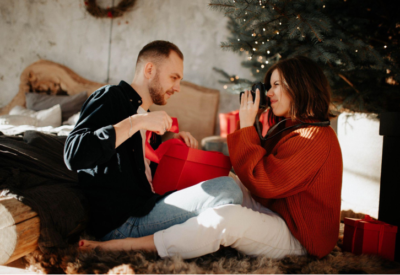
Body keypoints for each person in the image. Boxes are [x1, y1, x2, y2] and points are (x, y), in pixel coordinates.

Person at [79, 56, 343, 260]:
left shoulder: (316, 138)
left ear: (299, 87)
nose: (269, 92)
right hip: (277, 209)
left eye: (275, 86)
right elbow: (255, 171)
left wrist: (247, 125)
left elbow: (263, 181)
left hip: (299, 235)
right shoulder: (291, 126)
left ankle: (125, 245)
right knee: (224, 180)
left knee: (226, 219)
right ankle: (194, 236)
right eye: (269, 86)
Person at [64, 40, 243, 248]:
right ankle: (121, 246)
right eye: (173, 78)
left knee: (231, 187)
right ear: (149, 69)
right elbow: (73, 154)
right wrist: (137, 122)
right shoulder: (110, 98)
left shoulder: (149, 119)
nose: (177, 88)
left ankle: (159, 243)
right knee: (229, 189)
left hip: (149, 207)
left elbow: (142, 176)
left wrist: (172, 146)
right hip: (123, 222)